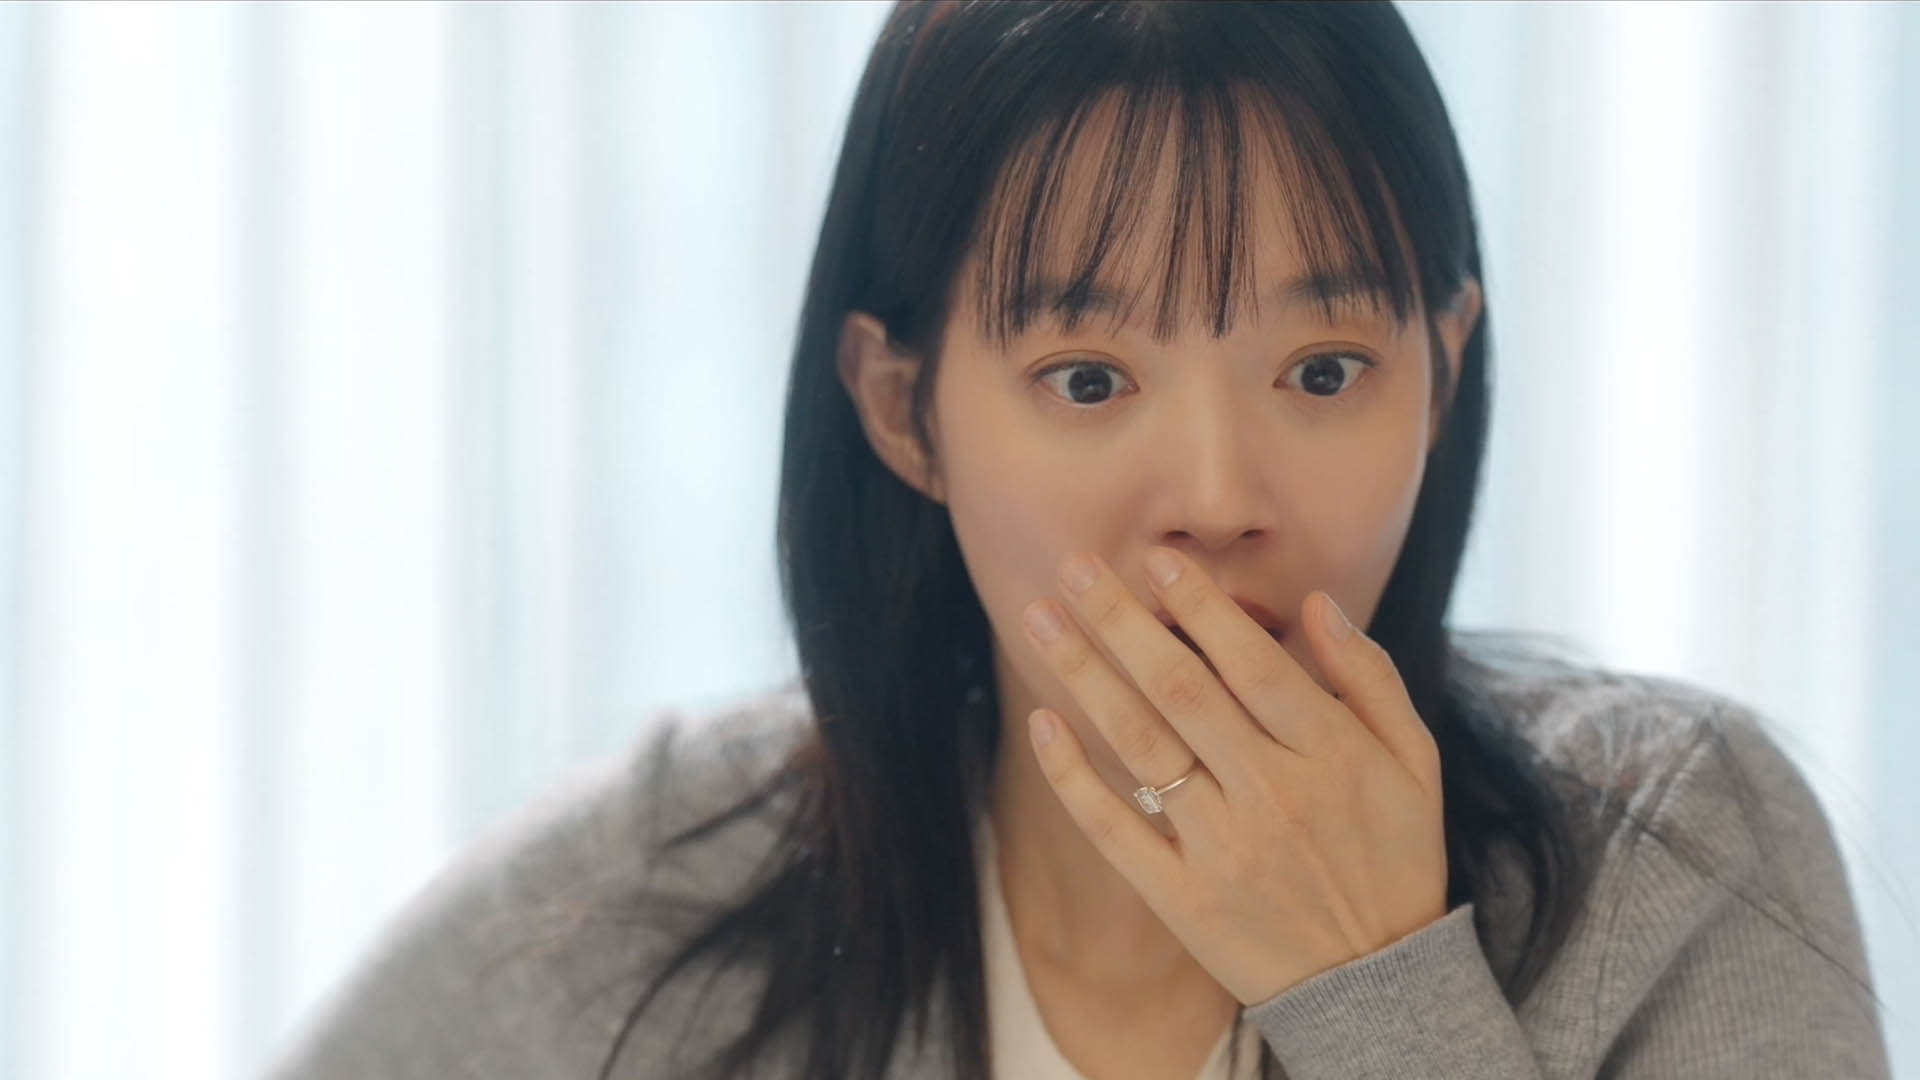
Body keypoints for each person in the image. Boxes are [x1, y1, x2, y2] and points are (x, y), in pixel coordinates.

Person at [260, 3, 1893, 1078]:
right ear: (903, 411)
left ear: (1444, 372)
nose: (1217, 496)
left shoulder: (1680, 859)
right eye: (1090, 379)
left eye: (1326, 371)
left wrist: (1378, 994)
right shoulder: (643, 909)